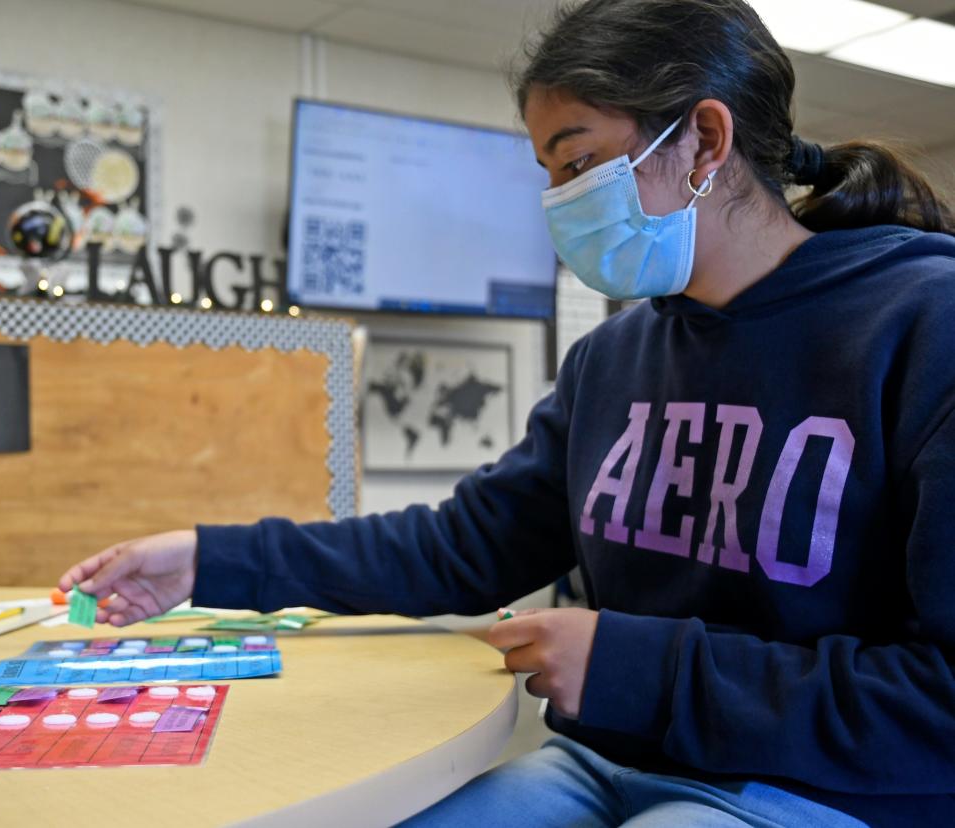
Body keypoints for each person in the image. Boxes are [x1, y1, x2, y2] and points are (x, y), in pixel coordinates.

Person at [58, 0, 955, 824]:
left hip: (819, 790)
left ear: (705, 141)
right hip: (604, 762)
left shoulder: (923, 326)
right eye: (550, 174)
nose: (561, 202)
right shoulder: (613, 357)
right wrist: (211, 561)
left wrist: (643, 670)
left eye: (580, 162)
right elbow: (459, 550)